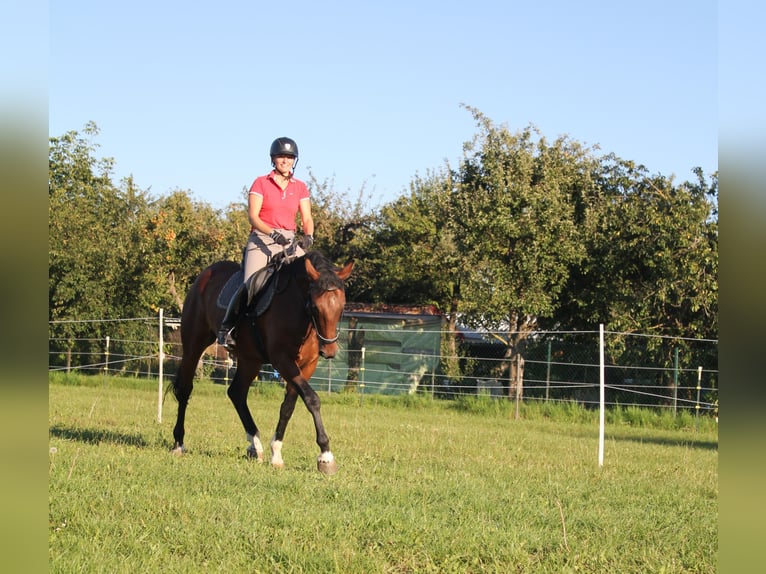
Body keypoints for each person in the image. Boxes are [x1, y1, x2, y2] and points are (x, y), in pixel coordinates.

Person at [217, 137, 314, 349]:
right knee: (251, 283)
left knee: (309, 281)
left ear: (294, 160)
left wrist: (308, 236)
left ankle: (310, 334)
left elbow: (307, 218)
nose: (285, 160)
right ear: (273, 159)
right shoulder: (260, 183)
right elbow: (253, 217)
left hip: (289, 241)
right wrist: (273, 234)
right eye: (281, 156)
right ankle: (227, 328)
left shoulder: (300, 187)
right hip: (262, 239)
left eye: (289, 157)